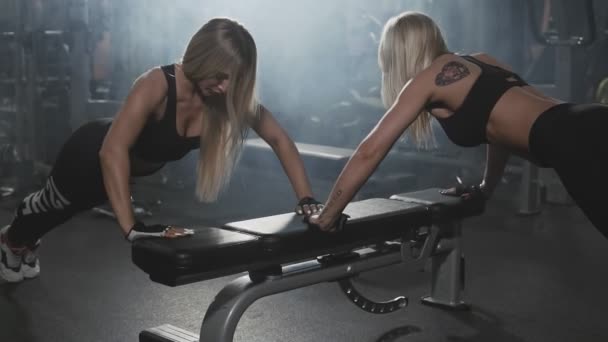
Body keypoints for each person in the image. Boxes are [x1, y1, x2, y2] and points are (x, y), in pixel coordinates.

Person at [0, 18, 322, 283]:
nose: (225, 87)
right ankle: (11, 240)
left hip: (122, 173)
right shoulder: (157, 83)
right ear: (203, 58)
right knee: (55, 207)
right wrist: (131, 229)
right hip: (87, 156)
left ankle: (26, 238)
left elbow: (279, 138)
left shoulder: (225, 100)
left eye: (233, 80)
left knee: (68, 211)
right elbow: (112, 151)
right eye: (221, 76)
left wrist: (306, 199)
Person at [309, 11, 608, 236]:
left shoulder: (425, 80)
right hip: (591, 118)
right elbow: (499, 134)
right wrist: (485, 189)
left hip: (576, 140)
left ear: (396, 53)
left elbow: (369, 151)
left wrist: (328, 214)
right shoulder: (483, 60)